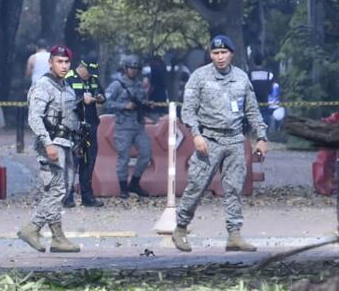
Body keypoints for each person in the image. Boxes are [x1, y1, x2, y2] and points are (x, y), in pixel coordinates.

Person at [172, 34, 268, 252]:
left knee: (234, 188)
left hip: (234, 140)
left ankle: (234, 235)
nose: (220, 57)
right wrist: (196, 135)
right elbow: (187, 110)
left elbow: (252, 111)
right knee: (197, 185)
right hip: (209, 140)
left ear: (231, 54)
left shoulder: (242, 78)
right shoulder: (200, 77)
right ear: (210, 55)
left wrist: (261, 137)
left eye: (224, 52)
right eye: (215, 53)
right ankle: (180, 228)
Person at [18, 48, 81, 253]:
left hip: (66, 143)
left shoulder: (66, 87)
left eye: (66, 62)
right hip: (51, 143)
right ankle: (32, 228)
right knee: (56, 190)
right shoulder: (43, 86)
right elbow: (34, 117)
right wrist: (47, 143)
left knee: (62, 189)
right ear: (51, 63)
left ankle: (57, 238)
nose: (64, 66)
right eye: (59, 61)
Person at [105, 54, 153, 198]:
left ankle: (135, 183)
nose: (134, 71)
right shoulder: (117, 85)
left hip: (138, 126)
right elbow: (106, 103)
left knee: (146, 154)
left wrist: (146, 105)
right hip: (123, 127)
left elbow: (142, 101)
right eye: (131, 68)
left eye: (136, 68)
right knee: (123, 158)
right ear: (125, 68)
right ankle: (123, 188)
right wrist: (124, 105)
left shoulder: (139, 85)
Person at [64, 50, 105, 208]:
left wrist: (100, 97)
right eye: (88, 71)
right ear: (81, 66)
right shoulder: (68, 78)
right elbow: (63, 102)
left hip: (90, 125)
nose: (90, 75)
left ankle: (87, 197)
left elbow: (102, 92)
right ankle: (67, 197)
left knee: (89, 161)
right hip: (74, 127)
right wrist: (81, 99)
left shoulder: (93, 79)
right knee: (72, 162)